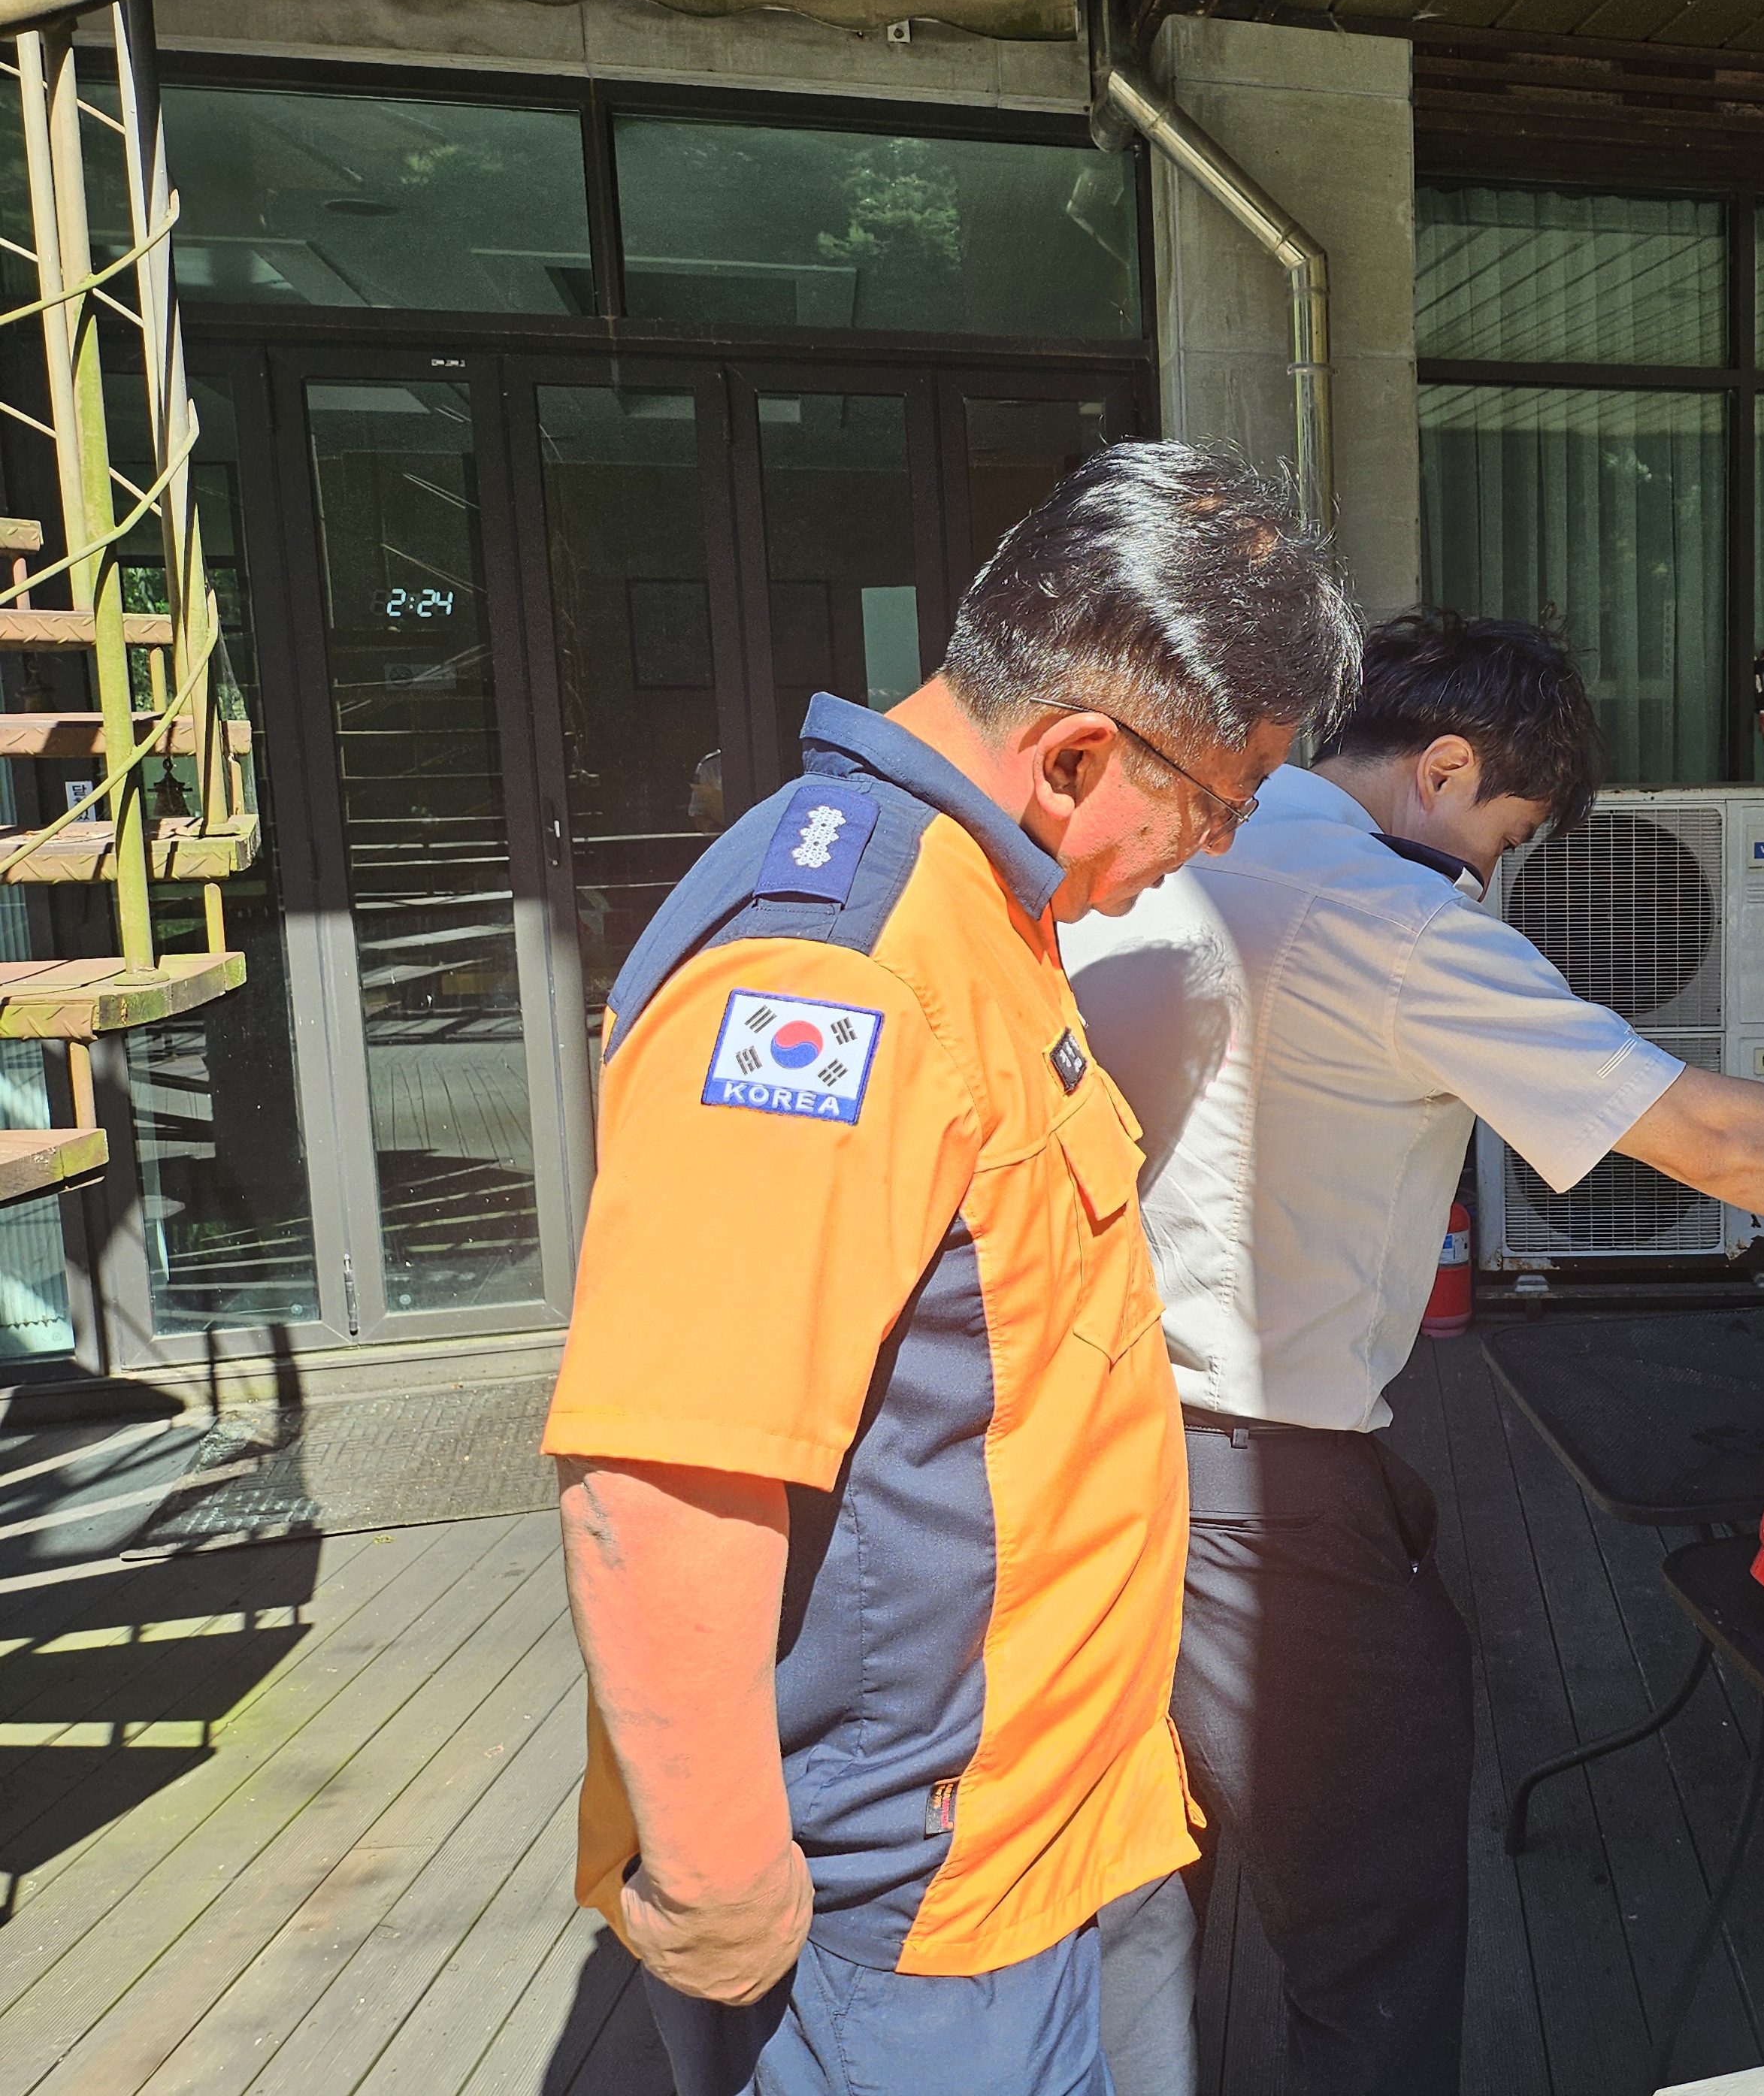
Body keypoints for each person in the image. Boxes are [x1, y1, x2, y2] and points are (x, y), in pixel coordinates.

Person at [1067, 610, 1764, 2096]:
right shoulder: (1389, 918)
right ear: (1441, 768)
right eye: (1503, 838)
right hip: (1250, 1485)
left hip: (1070, 1453)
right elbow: (1710, 1135)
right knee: (1368, 1918)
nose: (1491, 877)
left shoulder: (1169, 854)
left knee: (1122, 1898)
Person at [540, 443, 1360, 2096]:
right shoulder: (838, 974)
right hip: (898, 1903)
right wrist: (716, 1868)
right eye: (1220, 803)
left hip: (1025, 1837)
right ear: (1074, 756)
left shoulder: (981, 912)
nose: (1209, 849)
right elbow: (666, 1466)